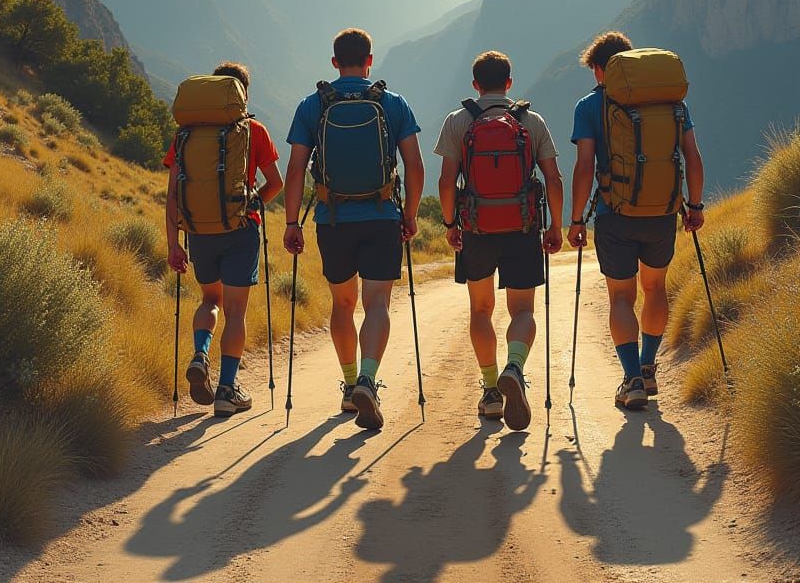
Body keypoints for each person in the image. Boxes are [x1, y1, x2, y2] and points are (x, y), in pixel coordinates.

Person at [283, 28, 425, 431]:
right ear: (370, 60)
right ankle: (367, 379)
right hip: (382, 217)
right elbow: (414, 166)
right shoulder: (392, 103)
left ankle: (349, 386)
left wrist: (293, 222)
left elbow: (295, 169)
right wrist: (409, 215)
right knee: (377, 303)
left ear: (334, 63)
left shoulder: (313, 105)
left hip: (332, 220)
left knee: (342, 305)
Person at [566, 32, 705, 411]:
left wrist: (576, 219)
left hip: (616, 214)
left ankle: (631, 379)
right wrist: (695, 206)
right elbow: (692, 157)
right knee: (655, 287)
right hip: (662, 211)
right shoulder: (672, 103)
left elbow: (584, 166)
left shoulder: (589, 106)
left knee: (621, 296)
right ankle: (648, 365)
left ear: (600, 69)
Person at [435, 50, 564, 430]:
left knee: (480, 311)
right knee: (522, 311)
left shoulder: (458, 121)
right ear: (509, 83)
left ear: (475, 85)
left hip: (477, 229)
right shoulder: (531, 121)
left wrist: (449, 223)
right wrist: (555, 225)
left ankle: (492, 391)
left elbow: (446, 181)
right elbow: (554, 180)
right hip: (523, 229)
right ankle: (515, 366)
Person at [165, 62, 284, 417]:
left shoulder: (185, 135)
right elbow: (275, 182)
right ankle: (226, 389)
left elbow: (172, 194)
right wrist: (253, 202)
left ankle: (201, 354)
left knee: (210, 300)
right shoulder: (253, 130)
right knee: (235, 310)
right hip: (240, 230)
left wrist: (173, 243)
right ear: (242, 93)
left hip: (200, 232)